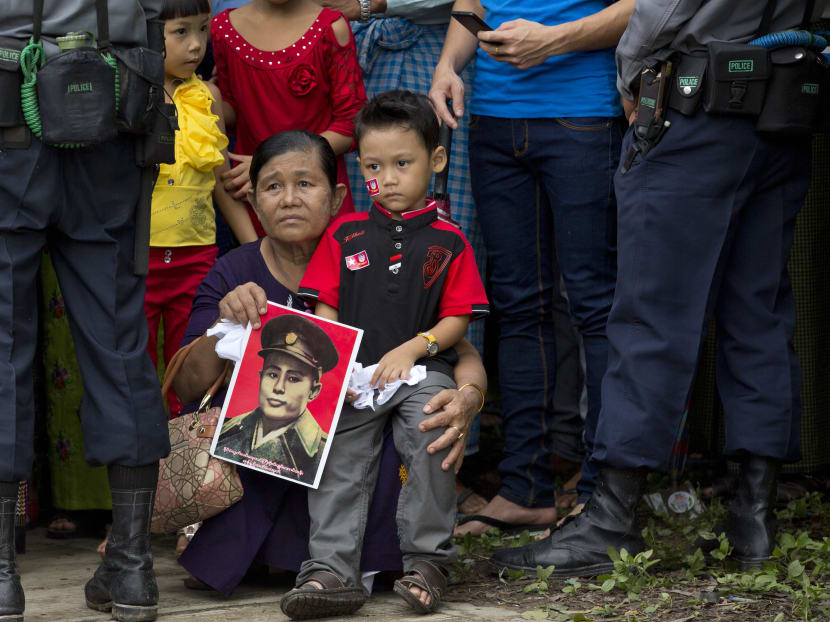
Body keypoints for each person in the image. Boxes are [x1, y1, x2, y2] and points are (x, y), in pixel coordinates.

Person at [491, 0, 827, 576]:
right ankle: (755, 518)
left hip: (696, 109)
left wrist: (633, 77)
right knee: (759, 311)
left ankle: (612, 520)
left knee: (651, 314)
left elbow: (666, 9)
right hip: (781, 106)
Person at [172, 130, 486, 595]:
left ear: (338, 196)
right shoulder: (235, 272)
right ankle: (296, 562)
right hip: (264, 456)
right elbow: (186, 388)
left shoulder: (373, 257)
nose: (290, 199)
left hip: (355, 445)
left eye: (306, 183)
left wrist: (467, 401)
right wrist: (224, 325)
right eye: (273, 187)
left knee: (382, 431)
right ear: (254, 202)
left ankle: (372, 564)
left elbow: (459, 351)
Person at [429, 0, 634, 536]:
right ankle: (526, 490)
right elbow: (469, 4)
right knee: (518, 306)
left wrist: (557, 39)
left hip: (583, 115)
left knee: (594, 305)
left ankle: (601, 495)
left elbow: (643, 8)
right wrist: (448, 65)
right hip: (494, 122)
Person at [282, 90, 488, 618]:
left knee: (431, 433)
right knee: (336, 451)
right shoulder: (344, 232)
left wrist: (413, 349)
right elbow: (325, 305)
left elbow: (457, 320)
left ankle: (428, 561)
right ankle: (331, 570)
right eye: (373, 166)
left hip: (425, 372)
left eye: (403, 163)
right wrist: (333, 368)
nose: (388, 179)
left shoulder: (451, 240)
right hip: (357, 374)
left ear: (436, 160)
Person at [1, 1, 172, 621]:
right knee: (120, 343)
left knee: (2, 348)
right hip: (111, 117)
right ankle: (131, 571)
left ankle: (1, 578)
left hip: (9, 126)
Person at [147, 0, 253, 416]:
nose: (196, 46)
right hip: (140, 260)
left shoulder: (206, 97)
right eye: (180, 32)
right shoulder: (131, 95)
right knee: (135, 372)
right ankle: (136, 476)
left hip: (196, 258)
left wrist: (252, 250)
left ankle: (184, 474)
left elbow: (222, 185)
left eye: (203, 30)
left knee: (190, 371)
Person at [210, 0, 368, 238]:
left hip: (316, 191)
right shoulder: (222, 29)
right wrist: (201, 96)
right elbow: (233, 110)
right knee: (263, 269)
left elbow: (350, 124)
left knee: (330, 270)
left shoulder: (331, 27)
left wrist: (270, 162)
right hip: (256, 191)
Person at [216, 314, 337, 484]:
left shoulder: (322, 453)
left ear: (314, 391)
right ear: (260, 376)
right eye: (272, 374)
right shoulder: (228, 429)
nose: (278, 387)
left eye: (293, 378)